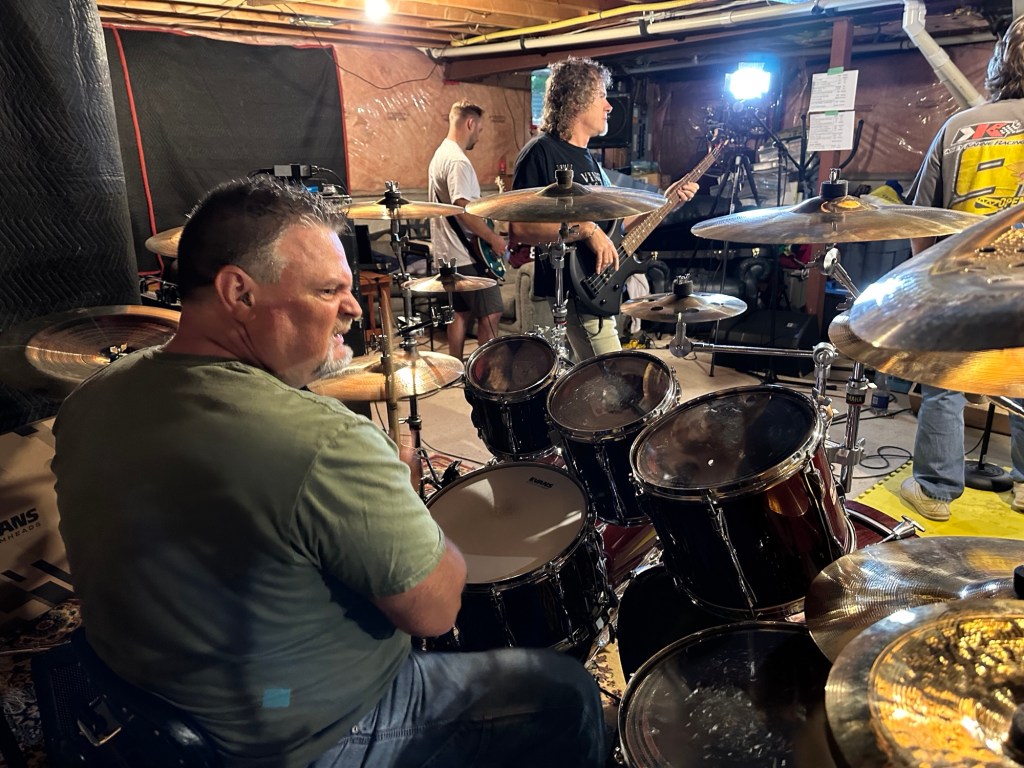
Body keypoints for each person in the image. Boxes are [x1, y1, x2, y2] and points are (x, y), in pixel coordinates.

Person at [51, 176, 606, 768]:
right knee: (565, 692)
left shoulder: (92, 398)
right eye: (327, 290)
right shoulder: (323, 441)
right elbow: (436, 610)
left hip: (144, 702)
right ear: (239, 292)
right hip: (291, 729)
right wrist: (408, 505)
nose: (353, 307)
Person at [901, 17, 1024, 521]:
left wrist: (921, 282)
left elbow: (919, 218)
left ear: (998, 65)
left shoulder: (958, 128)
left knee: (945, 382)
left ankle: (934, 490)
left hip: (961, 279)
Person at [508, 57, 699, 362]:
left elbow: (617, 227)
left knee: (593, 379)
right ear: (577, 100)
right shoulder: (540, 151)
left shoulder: (590, 160)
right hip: (575, 288)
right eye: (601, 96)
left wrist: (667, 200)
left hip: (599, 287)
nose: (609, 106)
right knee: (614, 377)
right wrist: (586, 229)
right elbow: (520, 229)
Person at [428, 100, 508, 360]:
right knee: (492, 311)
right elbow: (462, 207)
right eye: (480, 129)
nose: (479, 136)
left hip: (446, 253)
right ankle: (483, 373)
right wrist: (493, 238)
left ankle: (456, 369)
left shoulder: (440, 154)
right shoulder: (458, 161)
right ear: (470, 123)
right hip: (464, 254)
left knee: (459, 313)